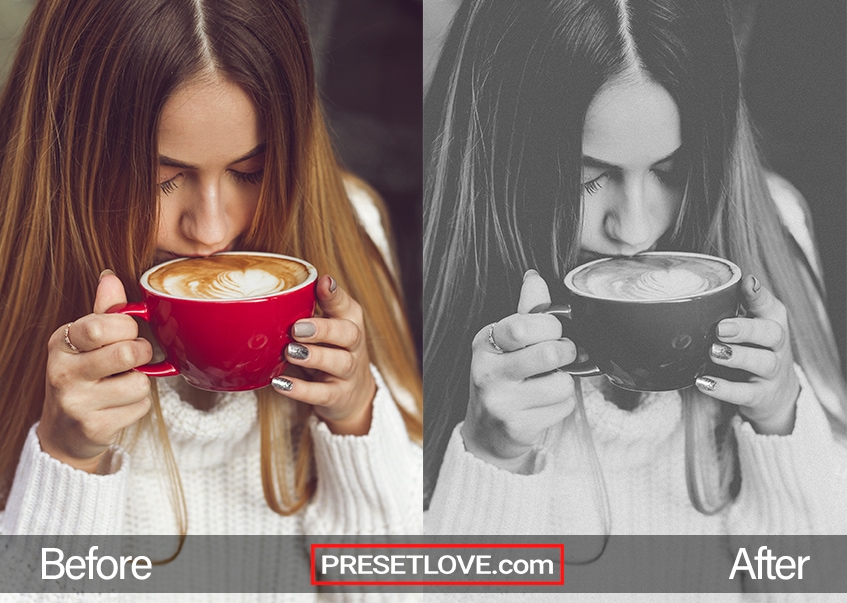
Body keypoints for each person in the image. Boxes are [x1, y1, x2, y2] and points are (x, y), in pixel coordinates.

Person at [0, 0, 422, 594]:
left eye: (250, 171)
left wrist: (355, 420)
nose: (212, 229)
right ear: (70, 153)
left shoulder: (350, 235)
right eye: (161, 177)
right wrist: (68, 459)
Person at [423, 0, 847, 557]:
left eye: (670, 172)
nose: (636, 229)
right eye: (589, 180)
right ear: (503, 155)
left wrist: (780, 419)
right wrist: (493, 457)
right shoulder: (415, 279)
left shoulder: (777, 230)